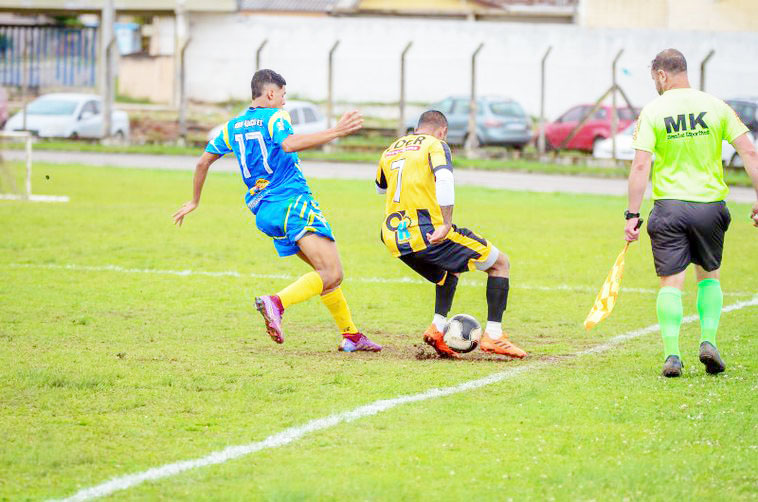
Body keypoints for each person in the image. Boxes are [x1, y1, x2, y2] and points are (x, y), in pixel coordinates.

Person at [173, 69, 382, 353]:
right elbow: (288, 143)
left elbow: (201, 163)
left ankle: (352, 336)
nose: (284, 102)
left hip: (265, 212)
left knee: (323, 274)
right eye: (283, 95)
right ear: (271, 93)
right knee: (333, 272)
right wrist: (336, 131)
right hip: (292, 203)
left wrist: (195, 200)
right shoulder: (276, 117)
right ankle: (276, 303)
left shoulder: (232, 126)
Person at [625, 49, 758, 377]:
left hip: (669, 207)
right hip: (710, 207)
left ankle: (672, 354)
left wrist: (631, 215)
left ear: (661, 75)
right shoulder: (716, 106)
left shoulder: (654, 110)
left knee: (671, 282)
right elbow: (749, 151)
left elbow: (641, 165)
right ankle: (708, 341)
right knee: (708, 276)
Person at [375, 110, 526, 359]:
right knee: (500, 263)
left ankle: (437, 328)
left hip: (393, 236)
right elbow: (444, 177)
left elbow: (381, 189)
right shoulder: (436, 144)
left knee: (449, 271)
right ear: (442, 131)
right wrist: (446, 223)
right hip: (426, 231)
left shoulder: (392, 148)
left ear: (416, 128)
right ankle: (495, 336)